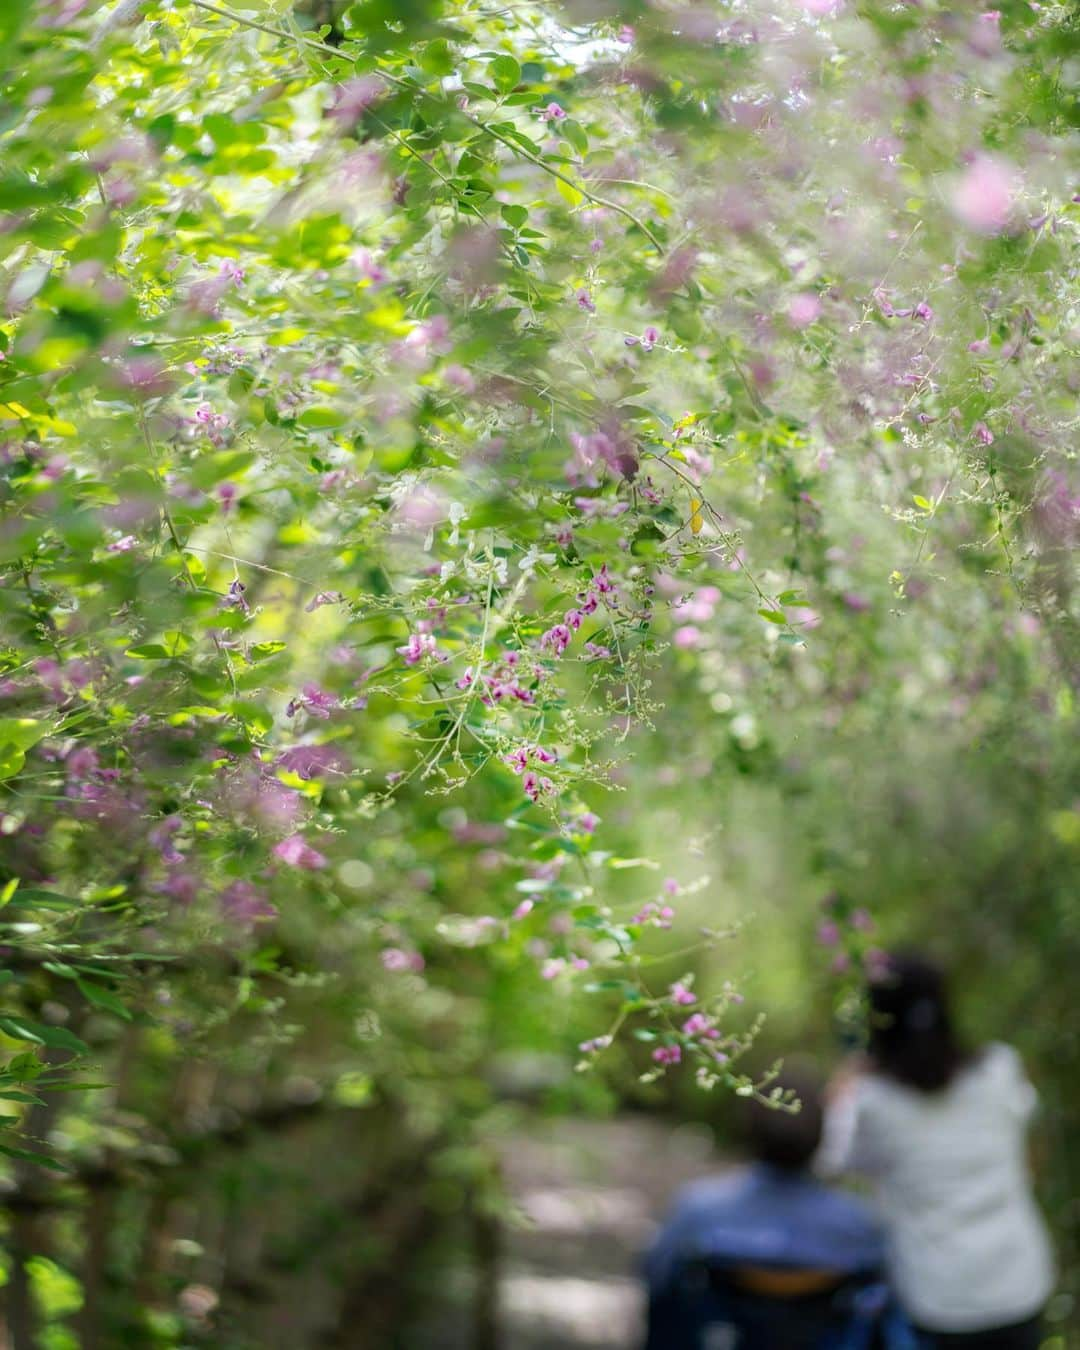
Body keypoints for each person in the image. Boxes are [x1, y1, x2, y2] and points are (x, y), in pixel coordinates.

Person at [820, 952, 1055, 1349]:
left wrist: (841, 1090)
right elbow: (1028, 1129)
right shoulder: (1000, 1069)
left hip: (938, 1298)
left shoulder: (871, 1102)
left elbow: (832, 1163)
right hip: (1019, 1282)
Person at [643, 1068, 913, 1349]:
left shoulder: (698, 1211)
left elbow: (657, 1279)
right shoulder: (859, 1223)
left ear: (747, 1129)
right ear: (821, 1134)